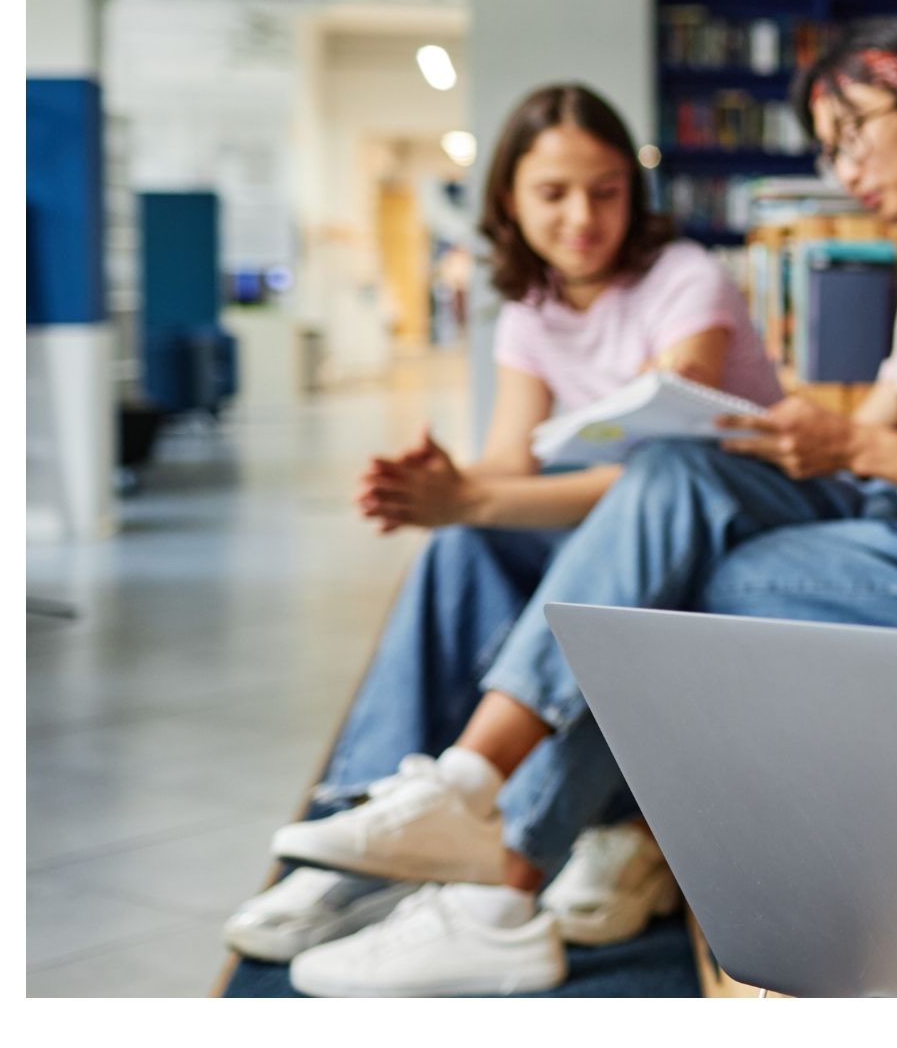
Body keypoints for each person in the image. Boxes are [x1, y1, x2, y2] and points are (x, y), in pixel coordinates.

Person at [268, 20, 897, 997]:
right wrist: (790, 439)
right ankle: (476, 813)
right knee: (677, 480)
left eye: (853, 131)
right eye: (828, 146)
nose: (843, 165)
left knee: (676, 571)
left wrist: (848, 442)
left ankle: (496, 864)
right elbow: (872, 440)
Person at [223, 83, 787, 975]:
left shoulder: (686, 279)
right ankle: (356, 836)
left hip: (714, 513)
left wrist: (477, 500)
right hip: (629, 508)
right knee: (458, 544)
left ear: (632, 193)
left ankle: (475, 824)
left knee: (502, 530)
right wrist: (446, 487)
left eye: (605, 191)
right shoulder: (532, 311)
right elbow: (509, 464)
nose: (582, 217)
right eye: (553, 194)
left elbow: (657, 477)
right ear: (509, 202)